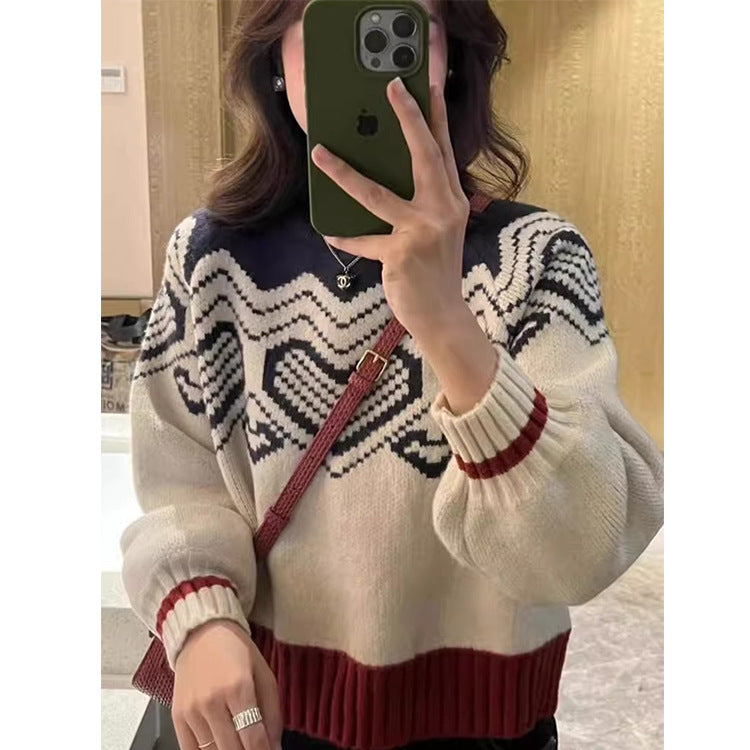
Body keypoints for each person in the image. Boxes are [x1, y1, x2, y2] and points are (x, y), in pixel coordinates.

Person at [119, 1, 664, 749]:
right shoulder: (210, 257)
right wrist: (203, 621)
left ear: (450, 59)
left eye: (401, 26)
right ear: (276, 59)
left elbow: (582, 552)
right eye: (332, 24)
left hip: (481, 726)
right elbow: (178, 483)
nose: (369, 61)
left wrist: (447, 324)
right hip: (265, 711)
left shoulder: (538, 257)